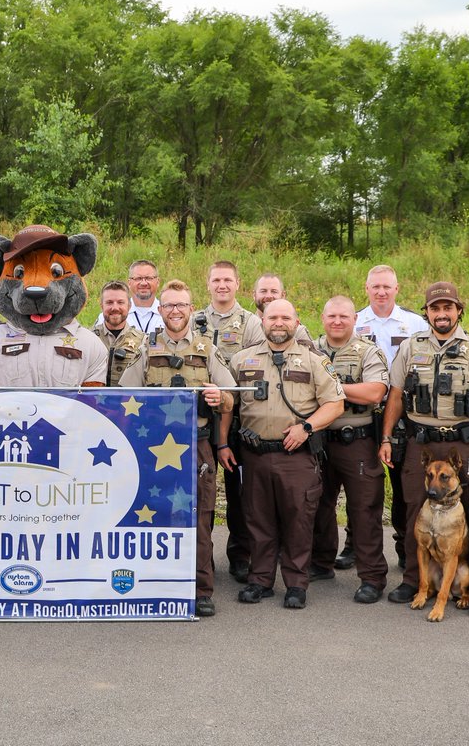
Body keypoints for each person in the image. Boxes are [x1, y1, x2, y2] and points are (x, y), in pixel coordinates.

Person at [379, 282, 469, 618]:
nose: (442, 314)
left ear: (458, 311)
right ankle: (412, 581)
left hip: (464, 444)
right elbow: (394, 395)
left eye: (448, 308)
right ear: (427, 313)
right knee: (412, 513)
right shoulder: (410, 347)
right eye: (435, 309)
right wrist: (386, 438)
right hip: (420, 441)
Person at [119, 280, 233, 617]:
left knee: (199, 521)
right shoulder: (145, 348)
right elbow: (124, 395)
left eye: (181, 305)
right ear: (160, 309)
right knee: (151, 516)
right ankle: (155, 584)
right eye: (168, 305)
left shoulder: (206, 348)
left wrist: (219, 397)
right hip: (152, 448)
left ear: (191, 307)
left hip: (195, 446)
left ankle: (201, 590)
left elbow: (230, 396)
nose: (175, 311)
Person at [229, 299, 345, 610]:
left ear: (296, 322)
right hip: (255, 455)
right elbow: (229, 404)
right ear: (262, 321)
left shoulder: (313, 361)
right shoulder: (242, 360)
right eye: (272, 317)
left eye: (285, 317)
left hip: (296, 457)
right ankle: (260, 580)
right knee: (258, 520)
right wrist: (224, 444)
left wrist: (307, 427)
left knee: (298, 521)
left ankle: (296, 583)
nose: (278, 323)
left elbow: (335, 404)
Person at [308, 296, 390, 603]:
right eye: (331, 316)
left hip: (355, 439)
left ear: (355, 318)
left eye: (343, 316)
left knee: (364, 510)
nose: (337, 321)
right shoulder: (309, 350)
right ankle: (320, 562)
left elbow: (375, 391)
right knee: (317, 505)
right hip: (318, 440)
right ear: (323, 317)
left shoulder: (367, 351)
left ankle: (372, 577)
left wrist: (332, 388)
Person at [352, 264, 428, 570]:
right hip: (361, 411)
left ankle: (402, 544)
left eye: (387, 286)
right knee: (359, 484)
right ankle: (351, 544)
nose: (381, 292)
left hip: (402, 414)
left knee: (401, 483)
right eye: (375, 287)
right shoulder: (354, 321)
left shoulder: (414, 323)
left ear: (397, 288)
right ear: (366, 289)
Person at [201, 260, 266, 583]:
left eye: (227, 280)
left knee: (240, 493)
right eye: (216, 280)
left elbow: (255, 368)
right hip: (198, 417)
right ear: (208, 284)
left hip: (238, 418)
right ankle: (202, 556)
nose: (222, 285)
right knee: (201, 491)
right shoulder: (195, 319)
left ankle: (241, 555)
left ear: (238, 284)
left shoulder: (251, 323)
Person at [91, 281, 144, 387]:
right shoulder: (89, 339)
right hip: (93, 402)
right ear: (101, 305)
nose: (115, 308)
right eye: (109, 302)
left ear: (129, 306)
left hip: (129, 402)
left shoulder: (143, 341)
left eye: (120, 302)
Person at [93, 260, 163, 334]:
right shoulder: (108, 316)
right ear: (129, 283)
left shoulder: (168, 314)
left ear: (158, 282)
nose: (143, 283)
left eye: (149, 278)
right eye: (138, 278)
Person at [252, 273, 310, 340]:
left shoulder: (298, 332)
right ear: (254, 295)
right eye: (263, 291)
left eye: (274, 291)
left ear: (283, 295)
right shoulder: (246, 327)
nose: (268, 296)